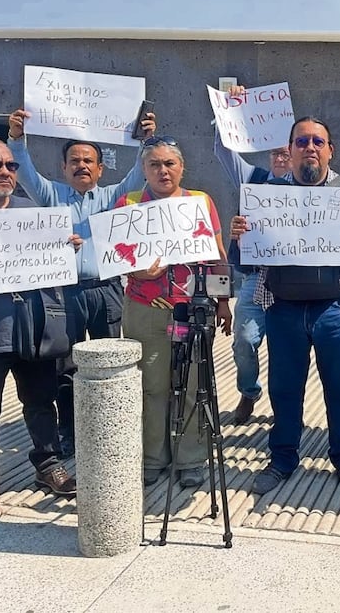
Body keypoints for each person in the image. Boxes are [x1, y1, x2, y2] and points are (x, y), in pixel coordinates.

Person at [243, 117, 340, 496]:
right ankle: (283, 458)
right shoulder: (268, 194)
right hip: (283, 307)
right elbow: (249, 256)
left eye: (317, 141)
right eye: (301, 140)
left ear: (330, 150)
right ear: (289, 149)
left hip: (334, 309)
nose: (309, 147)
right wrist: (243, 234)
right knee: (284, 389)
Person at [7, 108, 157, 456]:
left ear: (101, 168)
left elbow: (138, 174)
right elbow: (25, 172)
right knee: (66, 367)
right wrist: (16, 139)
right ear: (64, 167)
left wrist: (146, 141)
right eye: (74, 160)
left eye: (89, 160)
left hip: (106, 292)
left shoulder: (114, 198)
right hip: (64, 294)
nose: (81, 165)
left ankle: (108, 427)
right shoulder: (50, 195)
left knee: (111, 361)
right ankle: (70, 432)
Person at [0, 135, 78, 524]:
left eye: (11, 165)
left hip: (33, 328)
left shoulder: (31, 212)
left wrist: (63, 250)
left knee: (42, 403)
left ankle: (49, 466)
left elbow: (49, 267)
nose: (6, 172)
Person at [115, 136, 233, 488]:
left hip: (191, 311)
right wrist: (137, 272)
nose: (163, 170)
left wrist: (223, 300)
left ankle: (191, 458)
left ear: (182, 168)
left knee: (195, 383)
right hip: (146, 310)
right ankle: (153, 456)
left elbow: (216, 254)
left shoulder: (200, 202)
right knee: (152, 387)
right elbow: (118, 256)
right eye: (155, 164)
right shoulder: (129, 203)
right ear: (144, 170)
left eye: (170, 164)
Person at [214, 85, 292, 424]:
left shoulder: (306, 187)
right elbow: (222, 149)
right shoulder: (253, 177)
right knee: (244, 341)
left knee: (286, 349)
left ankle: (284, 404)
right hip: (255, 278)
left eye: (286, 152)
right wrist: (228, 110)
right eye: (275, 152)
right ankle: (248, 392)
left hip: (291, 280)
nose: (280, 157)